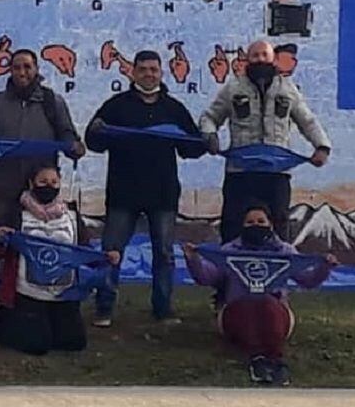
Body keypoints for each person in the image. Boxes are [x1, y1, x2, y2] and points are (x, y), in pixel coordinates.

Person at [84, 50, 205, 327]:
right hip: (123, 193)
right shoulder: (116, 106)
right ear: (133, 72)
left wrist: (204, 141)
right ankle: (104, 308)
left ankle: (163, 309)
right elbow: (93, 142)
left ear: (161, 73)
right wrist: (96, 131)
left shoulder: (174, 109)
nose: (148, 74)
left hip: (162, 194)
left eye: (154, 69)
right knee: (111, 251)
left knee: (164, 253)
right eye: (143, 69)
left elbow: (190, 148)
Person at [183, 203, 337, 386]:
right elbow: (205, 277)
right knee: (250, 304)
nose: (255, 225)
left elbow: (308, 281)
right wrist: (193, 260)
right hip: (237, 311)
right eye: (250, 222)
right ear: (242, 226)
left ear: (270, 224)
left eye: (260, 221)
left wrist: (325, 267)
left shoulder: (285, 252)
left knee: (266, 303)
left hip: (275, 313)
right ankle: (261, 359)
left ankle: (271, 359)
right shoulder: (229, 251)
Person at [199, 39, 331, 243]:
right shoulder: (233, 88)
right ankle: (230, 273)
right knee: (233, 225)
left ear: (273, 59)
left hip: (277, 175)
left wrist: (322, 147)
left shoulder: (288, 89)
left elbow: (308, 121)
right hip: (240, 173)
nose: (260, 59)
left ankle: (277, 270)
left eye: (264, 55)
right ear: (247, 60)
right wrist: (210, 135)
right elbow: (209, 117)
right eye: (255, 55)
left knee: (279, 227)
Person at [0, 164, 119, 356]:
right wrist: (0, 237)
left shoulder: (71, 214)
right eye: (43, 182)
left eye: (54, 182)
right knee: (36, 346)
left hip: (64, 292)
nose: (49, 186)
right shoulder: (16, 214)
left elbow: (82, 250)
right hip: (27, 292)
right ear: (31, 183)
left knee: (73, 343)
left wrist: (105, 258)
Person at [0, 49, 84, 229]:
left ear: (36, 69)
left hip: (42, 190)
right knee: (4, 241)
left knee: (42, 237)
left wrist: (73, 147)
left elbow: (66, 133)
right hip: (5, 187)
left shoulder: (52, 101)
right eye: (16, 67)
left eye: (27, 67)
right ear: (10, 70)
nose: (22, 72)